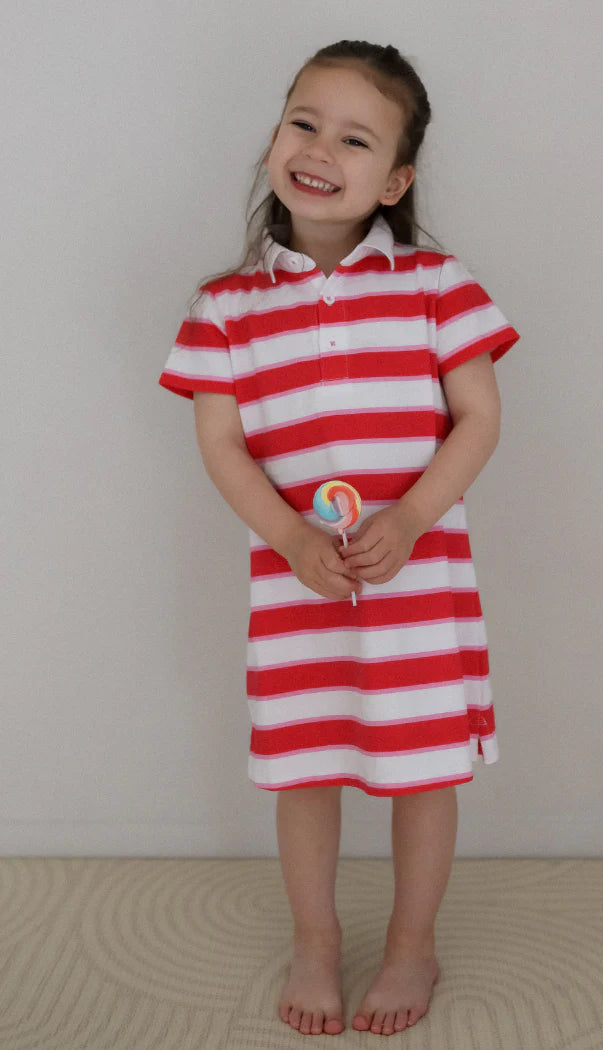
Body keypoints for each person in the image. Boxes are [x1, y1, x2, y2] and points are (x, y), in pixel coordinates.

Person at [159, 39, 520, 1039]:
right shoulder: (226, 308)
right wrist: (283, 533)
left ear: (395, 178)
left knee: (421, 771)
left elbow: (478, 418)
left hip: (415, 583)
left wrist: (407, 518)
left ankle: (412, 944)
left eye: (355, 138)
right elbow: (221, 439)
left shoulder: (437, 285)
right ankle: (314, 941)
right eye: (303, 122)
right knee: (306, 769)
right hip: (296, 584)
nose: (320, 148)